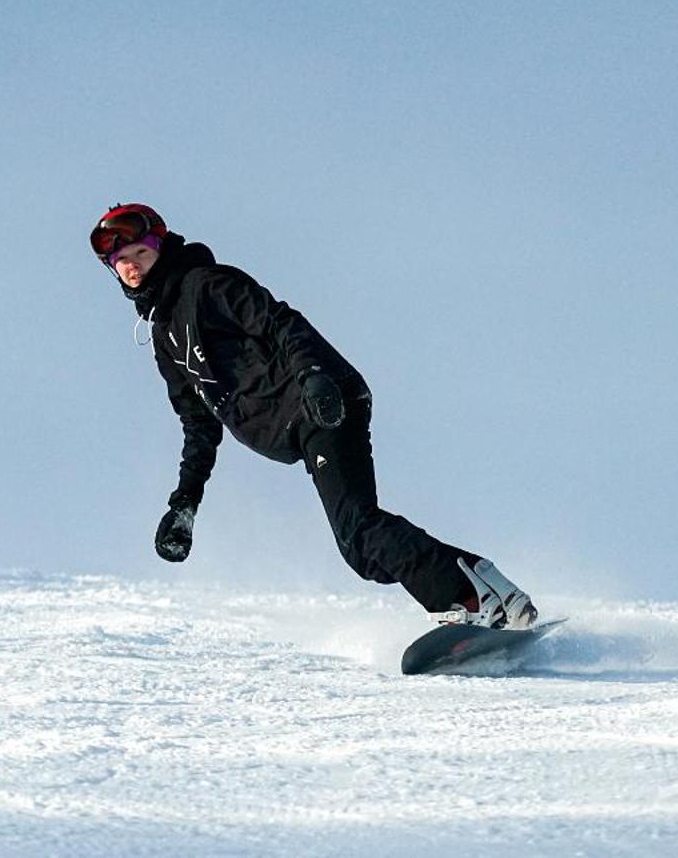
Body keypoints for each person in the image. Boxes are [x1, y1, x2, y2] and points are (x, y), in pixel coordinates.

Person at [91, 202, 537, 628]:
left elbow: (281, 322)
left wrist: (315, 378)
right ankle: (486, 584)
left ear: (161, 247)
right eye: (121, 261)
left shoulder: (207, 284)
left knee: (359, 530)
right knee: (360, 548)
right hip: (302, 424)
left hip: (320, 402)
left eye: (140, 252)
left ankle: (468, 599)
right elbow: (199, 427)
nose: (132, 266)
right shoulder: (166, 340)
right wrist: (184, 503)